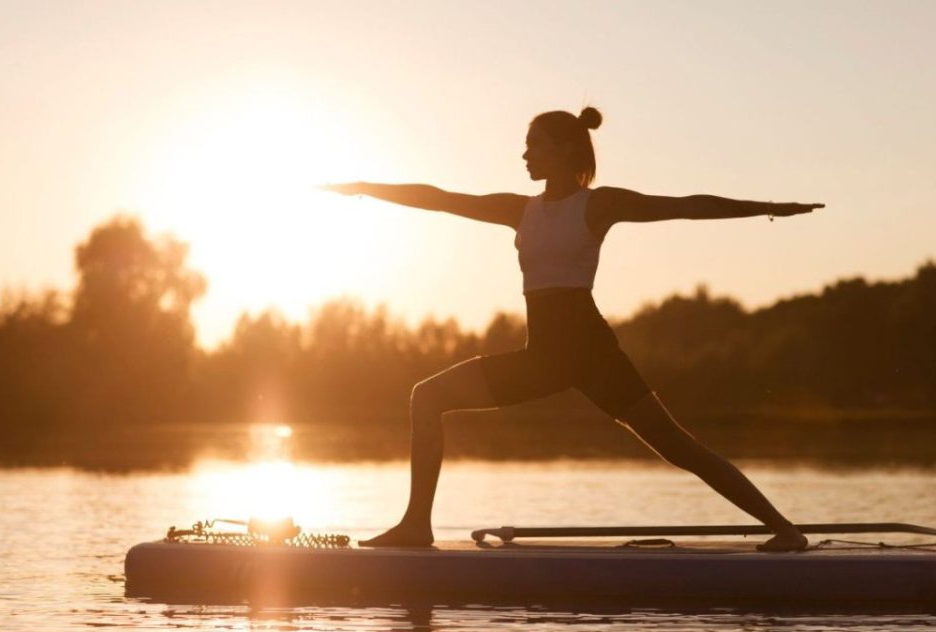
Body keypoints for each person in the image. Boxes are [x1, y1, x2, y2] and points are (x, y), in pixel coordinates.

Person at [322, 106, 824, 552]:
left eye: (533, 144)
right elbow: (440, 198)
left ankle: (785, 530)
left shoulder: (598, 204)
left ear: (563, 149)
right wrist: (367, 188)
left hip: (590, 353)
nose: (524, 155)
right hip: (541, 358)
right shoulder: (519, 209)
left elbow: (685, 204)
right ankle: (416, 526)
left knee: (678, 447)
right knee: (426, 397)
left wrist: (766, 208)